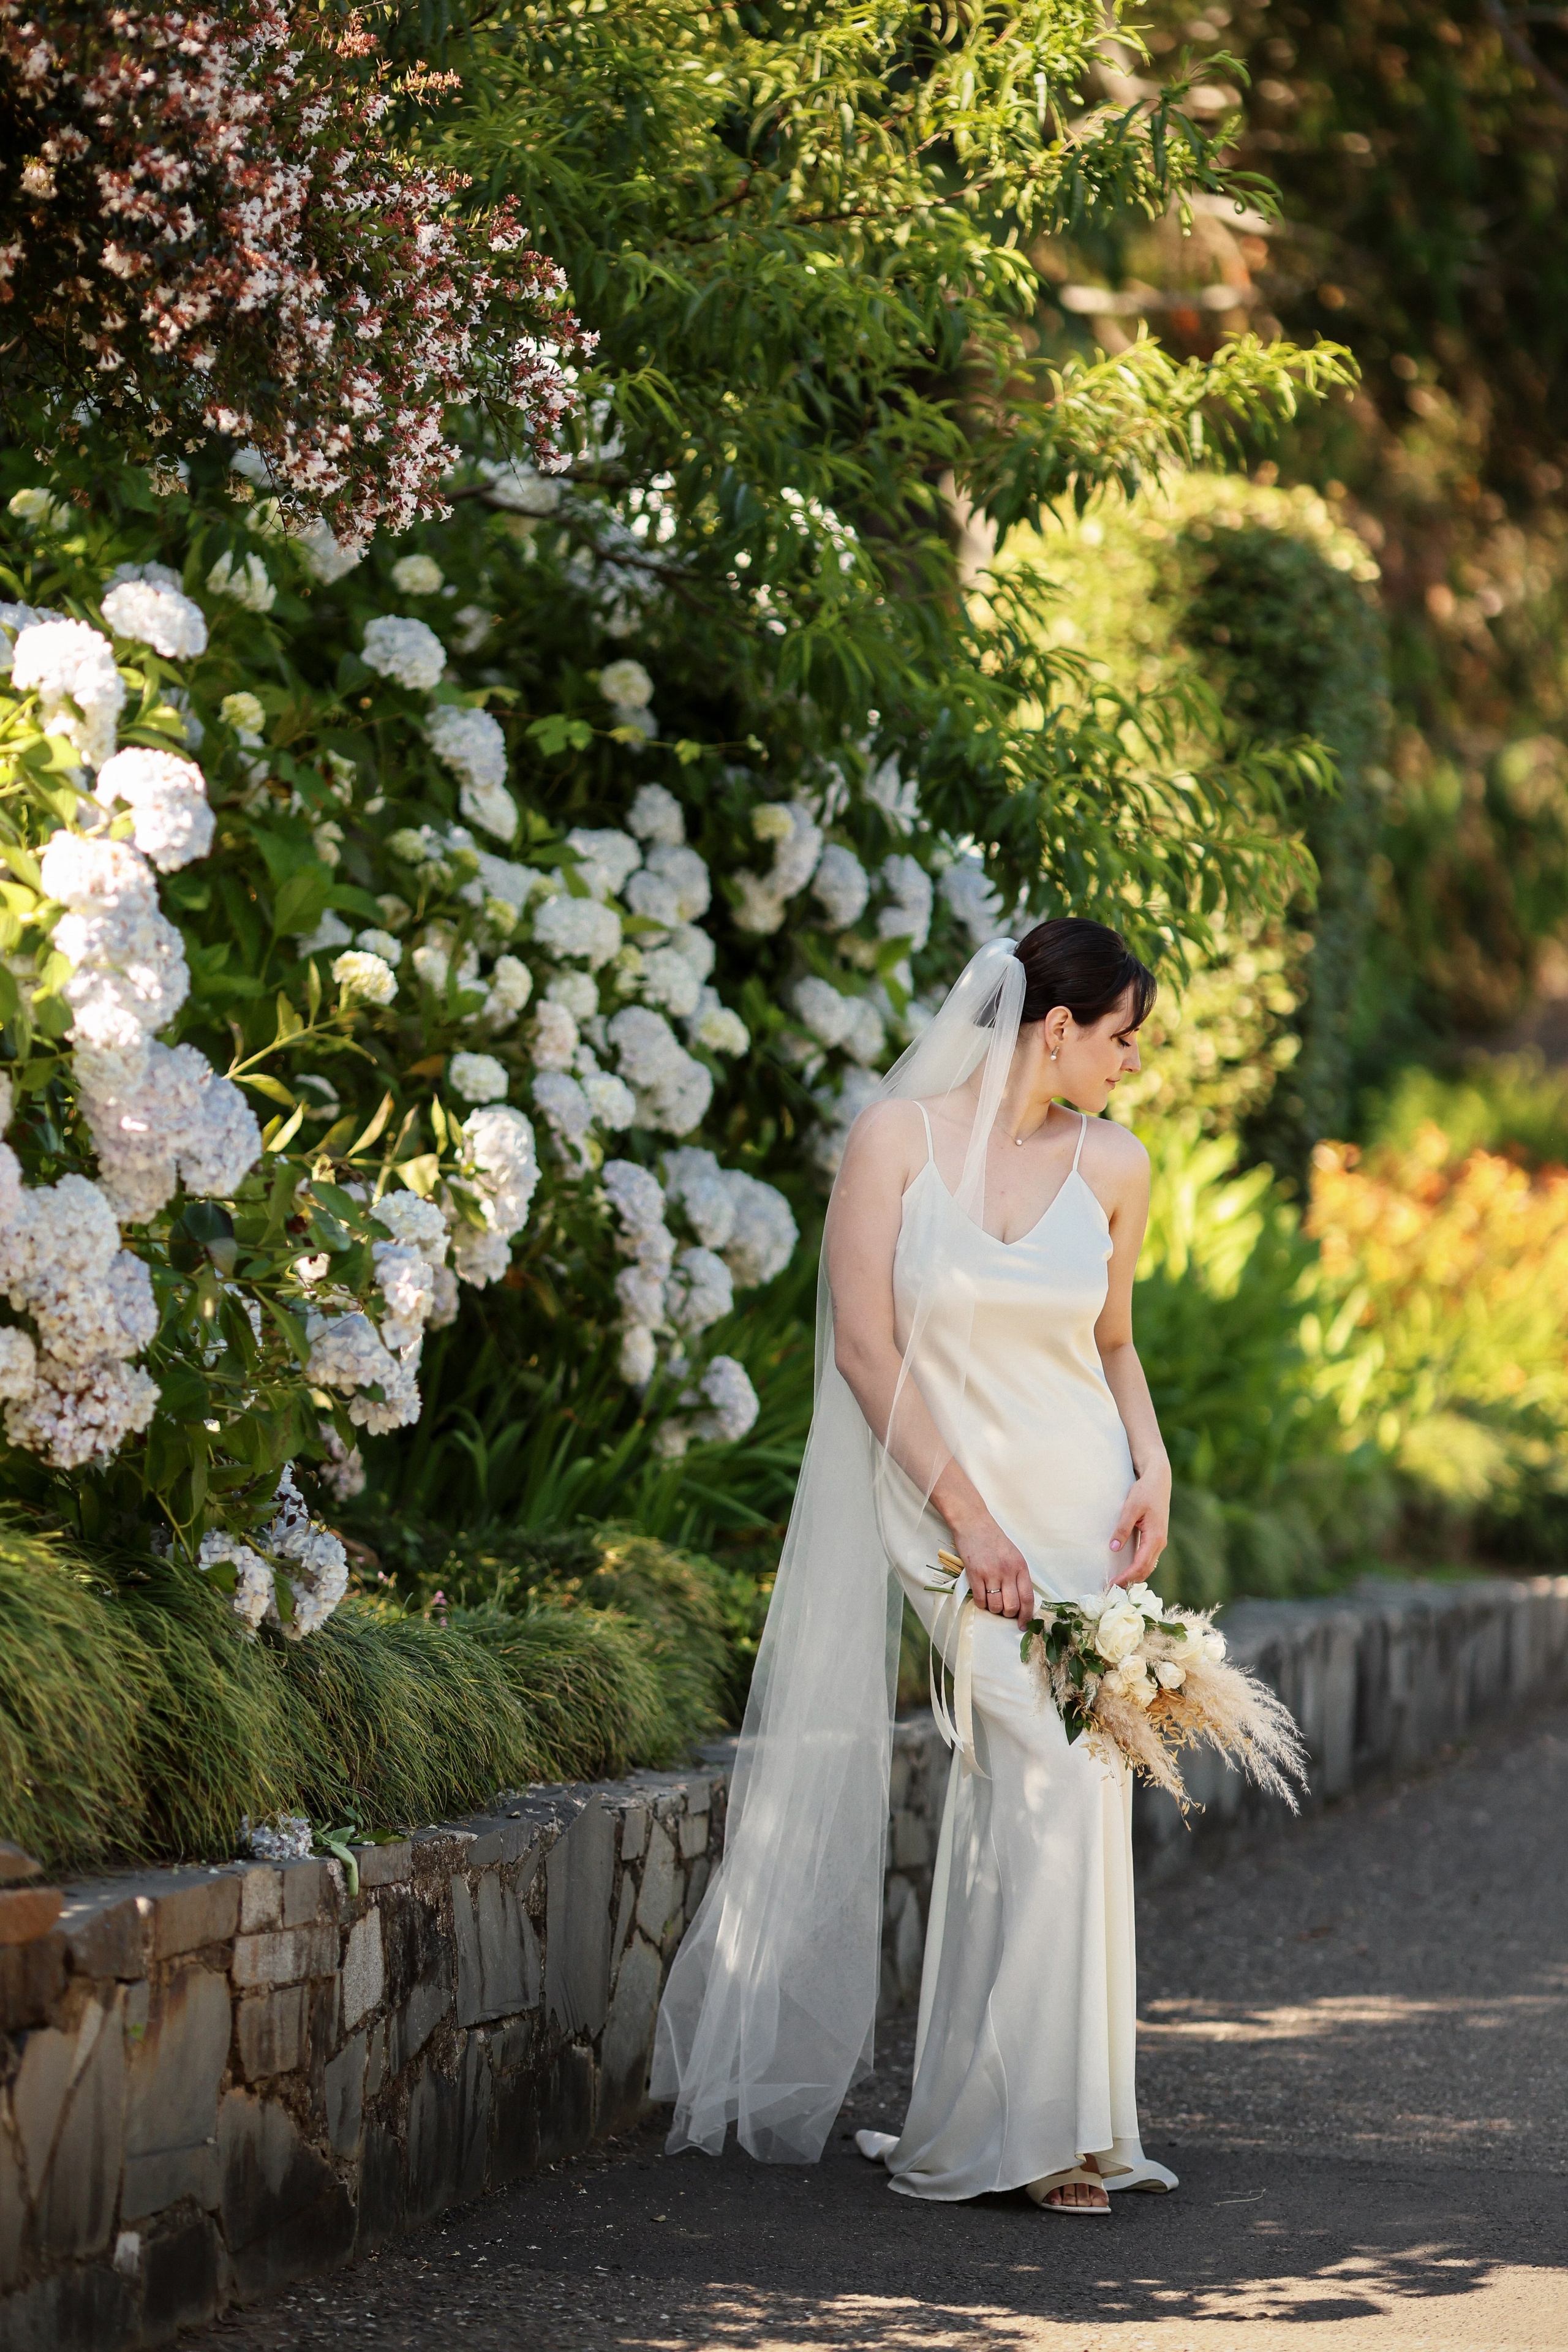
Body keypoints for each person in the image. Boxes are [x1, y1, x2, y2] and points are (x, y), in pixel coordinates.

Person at [653, 918, 1180, 2213]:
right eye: (1121, 1037)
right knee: (1049, 1766)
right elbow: (864, 1349)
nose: (1130, 1063)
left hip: (1078, 1505)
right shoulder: (895, 1140)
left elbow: (1112, 1342)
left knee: (1062, 1787)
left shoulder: (1116, 1163)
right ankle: (1032, 2134)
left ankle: (1031, 2120)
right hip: (948, 1510)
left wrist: (1153, 1465)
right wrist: (969, 1520)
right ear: (1056, 1025)